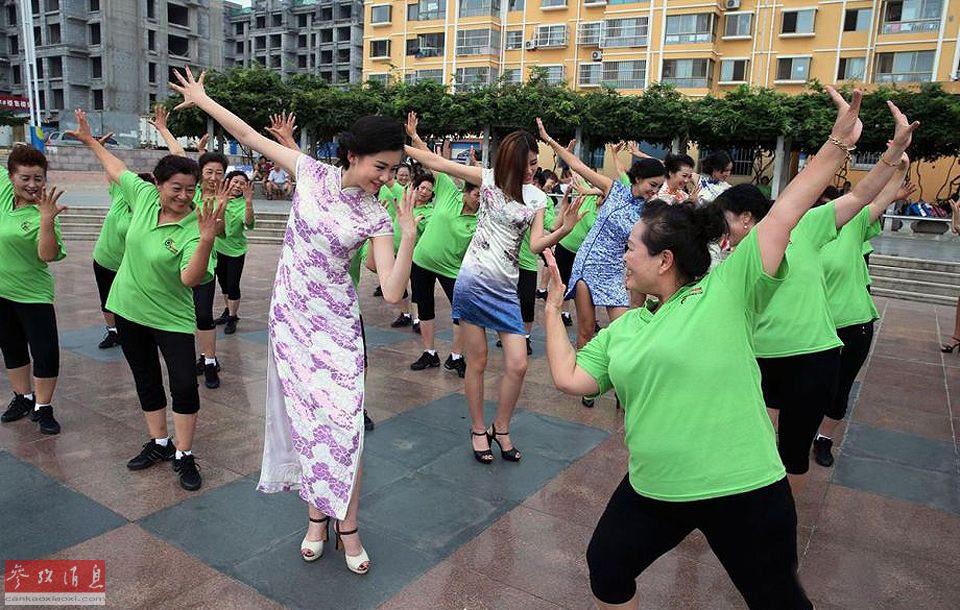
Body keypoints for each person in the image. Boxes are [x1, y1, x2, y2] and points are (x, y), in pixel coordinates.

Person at [541, 86, 867, 610]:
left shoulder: (724, 292)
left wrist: (836, 146)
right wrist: (553, 308)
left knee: (778, 598)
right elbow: (570, 378)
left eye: (630, 248)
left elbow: (784, 214)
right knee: (607, 570)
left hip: (744, 488)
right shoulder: (626, 329)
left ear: (664, 260)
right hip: (656, 490)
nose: (621, 257)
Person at [170, 67, 417, 574]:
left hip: (339, 328)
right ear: (354, 154)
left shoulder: (376, 214)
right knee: (307, 423)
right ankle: (315, 521)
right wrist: (202, 98)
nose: (387, 179)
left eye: (394, 171)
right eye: (382, 166)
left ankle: (348, 525)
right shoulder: (311, 172)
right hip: (292, 322)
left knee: (346, 428)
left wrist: (408, 232)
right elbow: (247, 136)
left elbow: (392, 291)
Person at [714, 100, 917, 493]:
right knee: (754, 447)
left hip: (813, 356)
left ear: (745, 217)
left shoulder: (805, 225)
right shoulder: (728, 257)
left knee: (793, 456)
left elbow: (861, 198)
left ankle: (784, 523)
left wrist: (892, 154)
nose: (720, 231)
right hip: (756, 359)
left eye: (724, 221)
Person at [404, 125, 582, 465]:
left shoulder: (537, 198)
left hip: (506, 289)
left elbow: (534, 244)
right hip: (473, 282)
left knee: (518, 363)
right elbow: (437, 164)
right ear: (511, 162)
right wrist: (401, 144)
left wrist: (563, 229)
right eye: (526, 164)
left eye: (534, 163)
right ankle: (476, 428)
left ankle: (501, 428)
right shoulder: (487, 180)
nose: (531, 170)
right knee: (479, 361)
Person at [70, 108, 224, 491]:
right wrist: (91, 142)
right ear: (157, 184)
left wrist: (206, 239)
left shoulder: (197, 224)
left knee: (185, 385)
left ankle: (184, 453)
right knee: (146, 379)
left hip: (170, 318)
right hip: (128, 311)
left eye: (190, 189)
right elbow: (117, 166)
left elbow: (190, 278)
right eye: (176, 188)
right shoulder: (141, 197)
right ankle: (159, 441)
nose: (184, 196)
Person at [814, 160, 912, 467]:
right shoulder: (801, 233)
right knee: (810, 386)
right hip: (814, 328)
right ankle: (797, 434)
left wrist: (899, 167)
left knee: (840, 388)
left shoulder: (855, 226)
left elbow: (879, 198)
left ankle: (825, 440)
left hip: (854, 324)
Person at [537, 120, 665, 352]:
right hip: (588, 263)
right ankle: (582, 382)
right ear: (638, 179)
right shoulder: (613, 189)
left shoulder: (649, 210)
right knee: (586, 331)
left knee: (624, 331)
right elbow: (576, 165)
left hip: (614, 269)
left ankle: (620, 380)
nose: (654, 191)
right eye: (652, 185)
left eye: (658, 188)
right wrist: (550, 141)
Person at [0, 145, 67, 435]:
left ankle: (43, 406)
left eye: (39, 179)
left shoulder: (45, 211)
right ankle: (23, 397)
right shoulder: (4, 192)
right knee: (11, 348)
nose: (32, 185)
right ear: (11, 176)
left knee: (45, 351)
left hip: (33, 294)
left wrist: (46, 221)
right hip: (1, 292)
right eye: (25, 178)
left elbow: (47, 255)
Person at [405, 113, 478, 376]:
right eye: (476, 194)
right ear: (467, 191)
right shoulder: (448, 189)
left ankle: (457, 357)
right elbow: (432, 160)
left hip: (452, 269)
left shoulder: (481, 216)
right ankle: (429, 352)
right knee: (424, 306)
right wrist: (414, 137)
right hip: (422, 261)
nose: (479, 200)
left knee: (462, 313)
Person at [192, 151, 229, 389]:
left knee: (204, 314)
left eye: (219, 173)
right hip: (177, 261)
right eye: (209, 172)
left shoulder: (221, 199)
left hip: (205, 264)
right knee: (188, 315)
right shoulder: (189, 192)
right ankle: (200, 356)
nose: (214, 177)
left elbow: (219, 232)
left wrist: (221, 207)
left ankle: (209, 361)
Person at [211, 170, 256, 335]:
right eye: (235, 182)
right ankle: (227, 310)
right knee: (223, 284)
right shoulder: (219, 197)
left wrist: (249, 202)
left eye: (242, 183)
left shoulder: (244, 203)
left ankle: (232, 316)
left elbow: (249, 222)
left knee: (232, 284)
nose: (238, 186)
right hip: (218, 248)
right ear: (228, 182)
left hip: (236, 251)